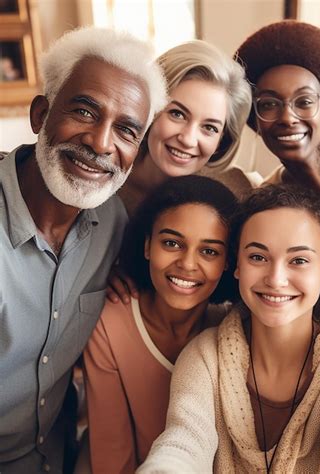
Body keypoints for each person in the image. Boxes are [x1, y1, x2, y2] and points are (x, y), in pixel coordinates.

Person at [137, 184, 320, 473]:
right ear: (237, 265)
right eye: (257, 257)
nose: (276, 278)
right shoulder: (204, 356)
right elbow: (183, 444)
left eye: (298, 260)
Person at [0, 26, 166, 474]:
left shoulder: (113, 223)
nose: (100, 142)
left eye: (126, 130)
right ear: (41, 115)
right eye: (85, 111)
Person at [82, 175, 239, 473]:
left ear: (228, 261)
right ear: (146, 246)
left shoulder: (232, 331)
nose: (188, 264)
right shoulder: (110, 323)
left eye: (209, 251)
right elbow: (111, 452)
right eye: (171, 243)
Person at [118, 39, 255, 214]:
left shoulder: (234, 192)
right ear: (151, 110)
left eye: (210, 128)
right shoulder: (102, 175)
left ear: (222, 141)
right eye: (177, 114)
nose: (188, 140)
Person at [235, 20, 320, 194]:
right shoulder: (265, 202)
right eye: (269, 104)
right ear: (256, 120)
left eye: (304, 102)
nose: (287, 118)